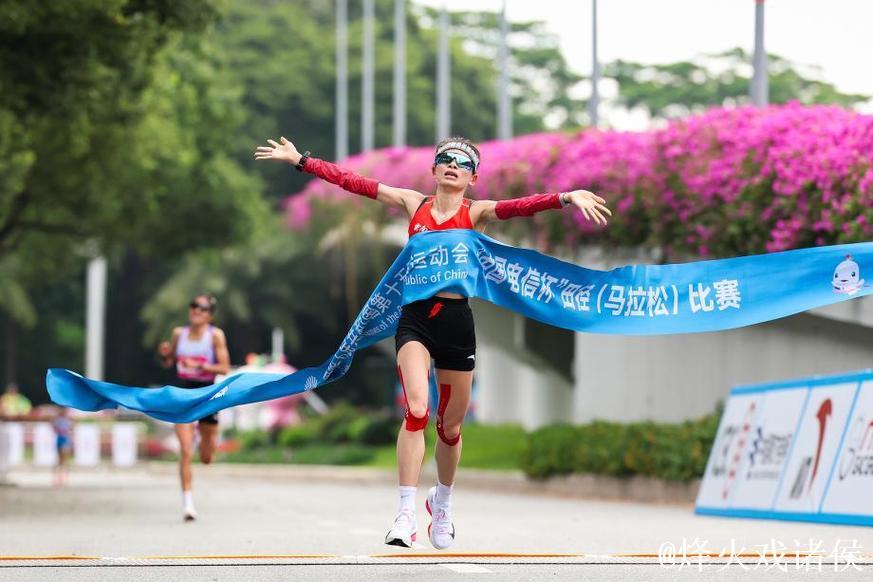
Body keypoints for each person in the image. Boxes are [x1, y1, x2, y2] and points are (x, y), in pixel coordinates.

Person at [255, 135, 610, 549]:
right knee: (418, 409)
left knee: (451, 427)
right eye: (445, 159)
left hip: (457, 323)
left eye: (463, 162)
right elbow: (356, 183)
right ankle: (404, 513)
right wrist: (303, 161)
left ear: (473, 177)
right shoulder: (413, 204)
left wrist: (565, 198)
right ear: (434, 169)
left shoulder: (475, 212)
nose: (452, 165)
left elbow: (518, 206)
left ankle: (441, 504)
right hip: (416, 321)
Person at [157, 294, 230, 521]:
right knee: (186, 451)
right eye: (193, 306)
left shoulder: (215, 336)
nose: (196, 310)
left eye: (202, 308)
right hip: (184, 395)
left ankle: (206, 444)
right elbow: (169, 363)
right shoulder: (180, 334)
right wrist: (166, 354)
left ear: (210, 314)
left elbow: (225, 368)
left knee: (206, 457)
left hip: (208, 394)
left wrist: (200, 365)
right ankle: (188, 504)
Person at [51, 407, 73, 486]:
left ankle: (62, 478)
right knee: (61, 460)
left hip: (63, 439)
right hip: (62, 439)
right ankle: (59, 478)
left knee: (63, 460)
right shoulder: (60, 419)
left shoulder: (64, 420)